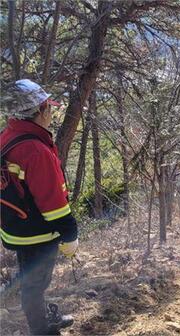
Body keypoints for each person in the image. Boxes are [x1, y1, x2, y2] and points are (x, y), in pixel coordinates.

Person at [0, 79, 78, 335]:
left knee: (32, 282)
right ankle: (43, 330)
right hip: (38, 233)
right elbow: (52, 202)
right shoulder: (34, 149)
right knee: (35, 286)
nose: (51, 112)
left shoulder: (8, 137)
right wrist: (70, 234)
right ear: (40, 110)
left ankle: (44, 320)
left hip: (15, 227)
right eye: (48, 107)